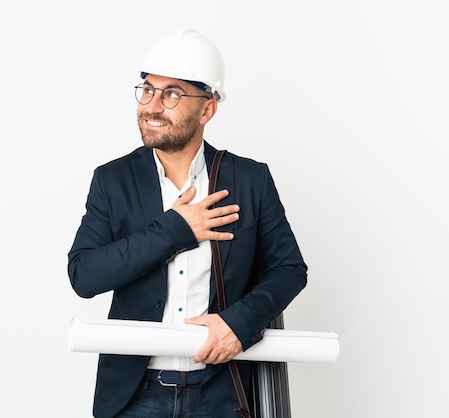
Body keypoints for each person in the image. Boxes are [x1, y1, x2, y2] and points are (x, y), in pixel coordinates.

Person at [67, 29, 307, 418]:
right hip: (133, 396)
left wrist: (238, 324)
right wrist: (176, 229)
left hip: (222, 393)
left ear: (207, 109)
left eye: (172, 94)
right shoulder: (113, 181)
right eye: (147, 90)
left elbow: (289, 270)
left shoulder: (249, 180)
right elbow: (84, 275)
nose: (153, 105)